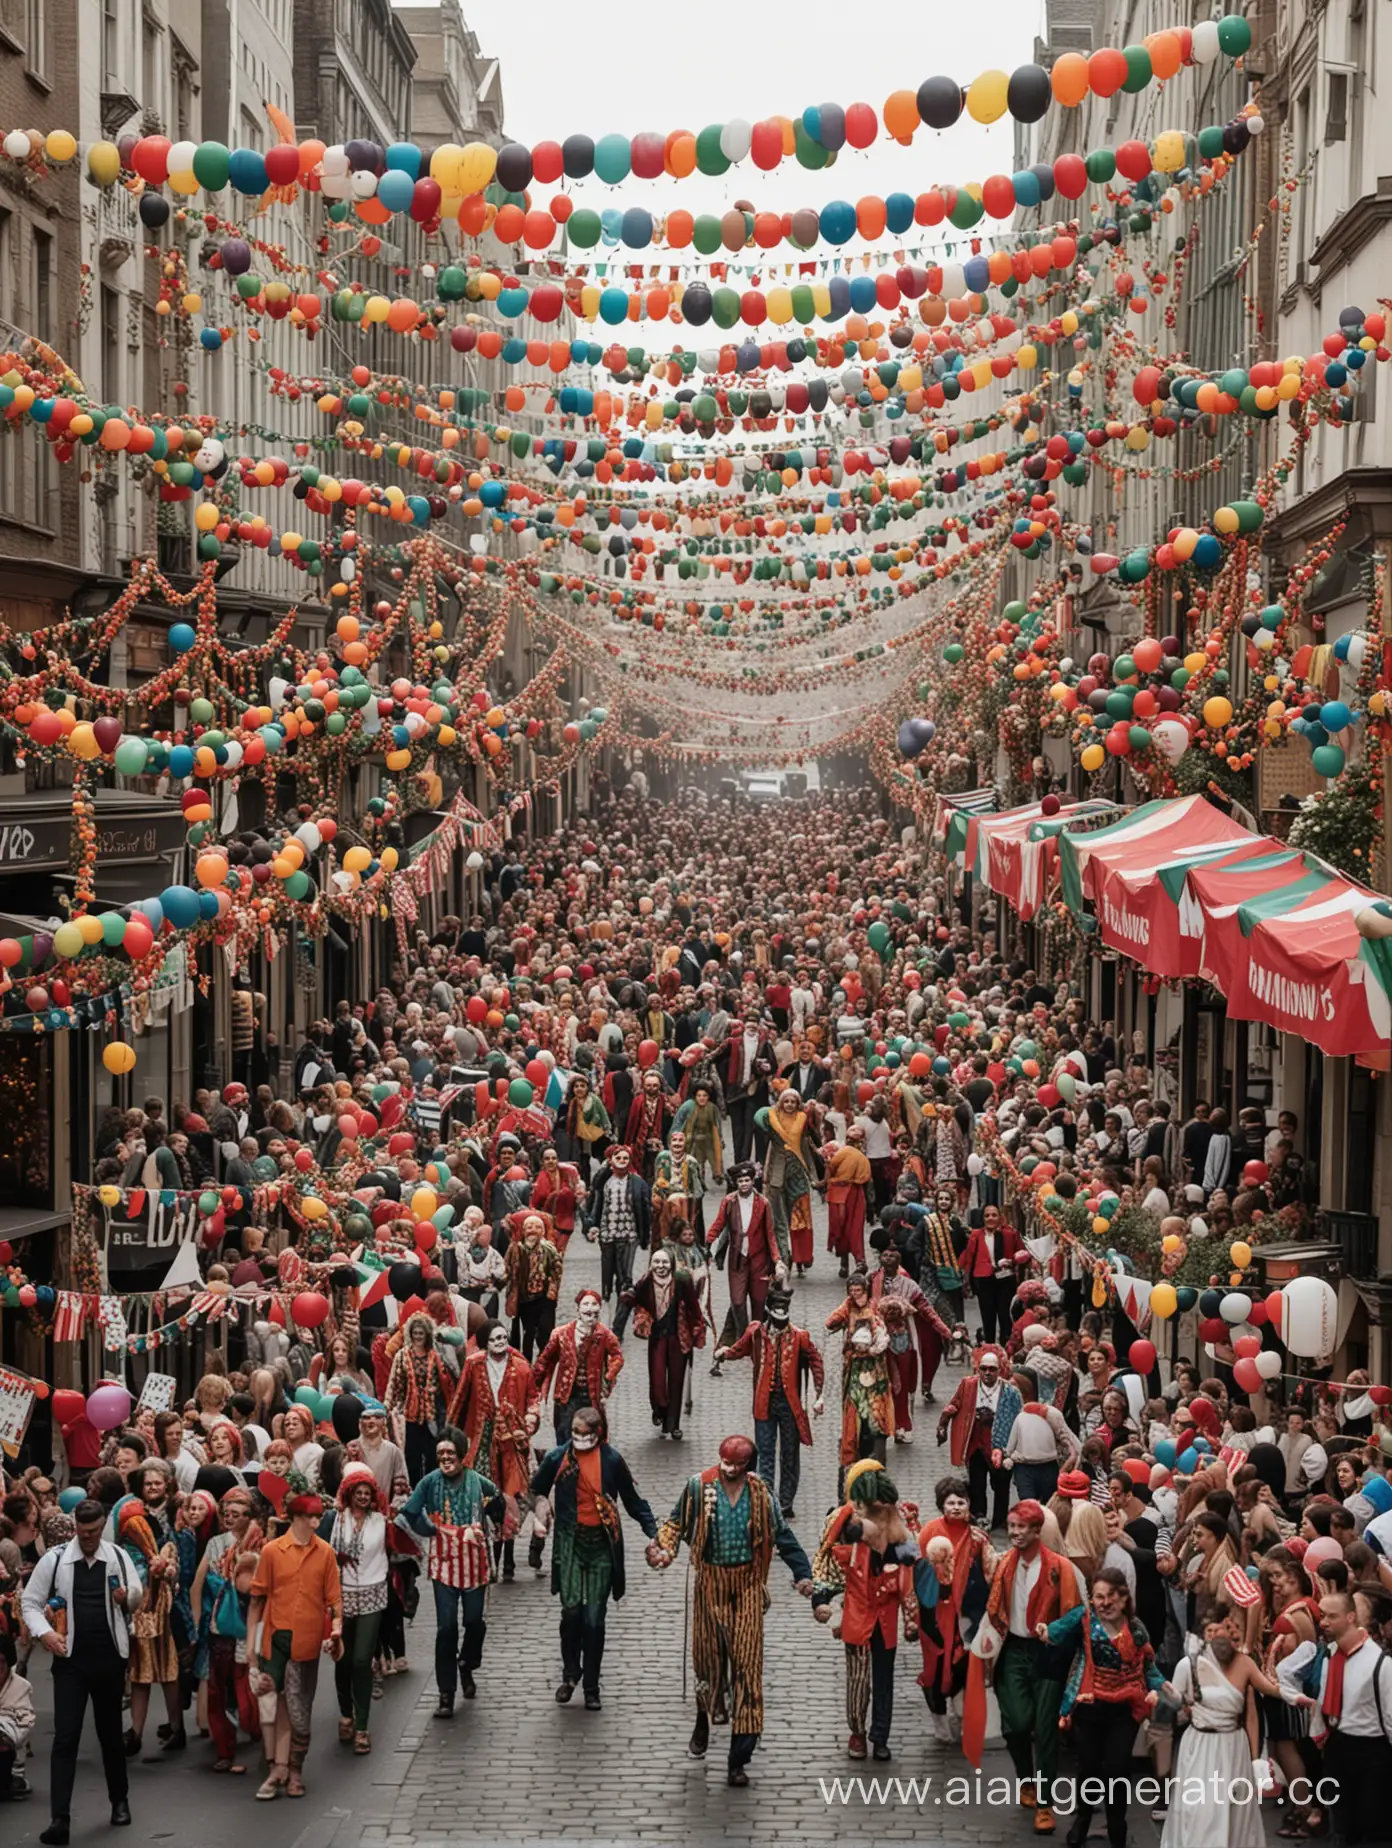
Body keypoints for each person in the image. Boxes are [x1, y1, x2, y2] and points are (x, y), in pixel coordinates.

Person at [649, 1434, 813, 1787]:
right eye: (724, 1462)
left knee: (748, 1667)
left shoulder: (760, 1495)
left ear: (747, 1467)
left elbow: (782, 1536)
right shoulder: (698, 1486)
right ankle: (703, 1719)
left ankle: (740, 1755)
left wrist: (804, 1574)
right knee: (707, 1663)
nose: (728, 1469)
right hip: (710, 1583)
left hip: (749, 1585)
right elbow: (675, 1524)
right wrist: (663, 1549)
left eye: (736, 1465)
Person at [21, 1496, 143, 1843]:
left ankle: (119, 1801)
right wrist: (46, 1635)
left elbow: (137, 1593)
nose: (88, 1538)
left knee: (109, 1735)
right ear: (75, 1528)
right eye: (82, 1532)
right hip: (71, 1661)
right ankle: (60, 1819)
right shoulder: (56, 1560)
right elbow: (30, 1603)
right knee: (66, 1737)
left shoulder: (116, 1557)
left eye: (93, 1532)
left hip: (108, 1658)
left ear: (102, 1526)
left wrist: (127, 1598)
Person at [967, 1498, 1086, 1837]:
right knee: (1016, 1724)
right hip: (1013, 1649)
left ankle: (1046, 1803)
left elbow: (1076, 1612)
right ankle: (1026, 1779)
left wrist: (1056, 1631)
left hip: (1048, 1652)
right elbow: (993, 1609)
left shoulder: (1060, 1567)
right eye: (1013, 1526)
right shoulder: (1005, 1563)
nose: (1015, 1533)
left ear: (1037, 1531)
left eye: (1021, 1528)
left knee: (1046, 1727)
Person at [530, 1406, 659, 1710]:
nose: (579, 1438)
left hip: (601, 1544)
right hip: (570, 1543)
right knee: (572, 1613)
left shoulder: (612, 1460)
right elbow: (534, 1489)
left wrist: (654, 1533)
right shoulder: (557, 1458)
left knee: (594, 1620)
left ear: (598, 1434)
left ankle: (591, 1685)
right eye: (575, 1432)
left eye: (585, 1434)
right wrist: (541, 1507)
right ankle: (570, 1672)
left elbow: (633, 1502)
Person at [1038, 1566, 1168, 1848]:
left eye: (1111, 1596)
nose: (1105, 1603)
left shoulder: (1136, 1629)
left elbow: (1149, 1668)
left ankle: (1116, 1824)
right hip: (1089, 1703)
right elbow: (1055, 1631)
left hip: (1125, 1708)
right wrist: (1045, 1631)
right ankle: (1083, 1818)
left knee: (1117, 1767)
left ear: (1123, 1598)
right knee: (1088, 1766)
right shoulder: (1083, 1619)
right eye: (1099, 1597)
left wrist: (1160, 1688)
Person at [811, 1459, 919, 1762]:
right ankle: (857, 1732)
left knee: (884, 1681)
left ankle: (880, 1736)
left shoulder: (901, 1545)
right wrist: (821, 1601)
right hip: (858, 1620)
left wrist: (912, 1621)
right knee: (858, 1681)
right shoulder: (850, 1540)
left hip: (885, 1622)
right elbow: (829, 1574)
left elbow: (908, 1587)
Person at [396, 1428, 504, 1719]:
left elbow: (498, 1502)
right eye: (441, 1454)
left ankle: (467, 1664)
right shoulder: (429, 1483)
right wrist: (427, 1529)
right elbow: (408, 1512)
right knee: (446, 1629)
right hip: (444, 1564)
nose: (445, 1458)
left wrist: (496, 1516)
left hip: (474, 1563)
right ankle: (446, 1693)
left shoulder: (477, 1482)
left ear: (461, 1454)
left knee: (474, 1622)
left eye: (450, 1453)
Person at [1163, 1604, 1289, 1848]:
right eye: (1209, 1632)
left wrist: (1255, 1760)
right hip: (1199, 1745)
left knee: (1232, 1806)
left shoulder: (1243, 1665)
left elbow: (1253, 1713)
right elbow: (1174, 1706)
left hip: (1232, 1745)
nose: (1215, 1637)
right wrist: (1175, 1702)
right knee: (1200, 1806)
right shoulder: (1186, 1666)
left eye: (1220, 1631)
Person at [247, 1491, 344, 1802]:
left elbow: (334, 1600)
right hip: (275, 1639)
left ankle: (294, 1769)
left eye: (318, 1516)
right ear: (295, 1518)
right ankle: (278, 1768)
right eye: (310, 1517)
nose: (316, 1522)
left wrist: (337, 1631)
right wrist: (251, 1648)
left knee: (299, 1712)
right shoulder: (273, 1552)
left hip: (306, 1643)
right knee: (271, 1707)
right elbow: (257, 1600)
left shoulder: (325, 1552)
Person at [716, 1286, 825, 1519]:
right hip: (764, 1403)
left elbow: (816, 1360)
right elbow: (740, 1348)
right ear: (768, 1310)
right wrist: (724, 1354)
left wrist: (819, 1392)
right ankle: (767, 1500)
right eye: (776, 1309)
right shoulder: (756, 1333)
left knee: (789, 1454)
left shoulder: (800, 1337)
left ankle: (785, 1503)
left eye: (784, 1309)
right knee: (765, 1452)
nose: (780, 1315)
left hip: (790, 1405)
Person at [446, 1320, 539, 1575]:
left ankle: (508, 1555)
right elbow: (460, 1399)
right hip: (483, 1440)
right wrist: (450, 1435)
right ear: (486, 1343)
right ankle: (490, 1554)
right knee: (487, 1497)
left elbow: (533, 1398)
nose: (500, 1342)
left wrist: (530, 1420)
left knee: (512, 1496)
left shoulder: (521, 1367)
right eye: (495, 1339)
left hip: (511, 1441)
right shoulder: (473, 1365)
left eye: (503, 1338)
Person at [915, 1475, 996, 1743]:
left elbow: (990, 1573)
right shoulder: (929, 1533)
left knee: (964, 1666)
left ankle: (960, 1716)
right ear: (942, 1505)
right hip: (935, 1615)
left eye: (961, 1502)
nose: (956, 1507)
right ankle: (939, 1719)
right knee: (935, 1669)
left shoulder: (978, 1538)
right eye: (950, 1502)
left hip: (968, 1615)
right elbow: (919, 1575)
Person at [1310, 1590, 1392, 1847]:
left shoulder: (1380, 1663)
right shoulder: (1331, 1657)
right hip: (1338, 1747)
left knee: (1373, 1827)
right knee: (1342, 1826)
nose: (1323, 1622)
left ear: (1350, 1617)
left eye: (1331, 1616)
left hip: (1372, 1753)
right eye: (1322, 1616)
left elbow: (1390, 1717)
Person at [328, 1463, 390, 1755]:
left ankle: (363, 1726)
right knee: (343, 1658)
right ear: (349, 1494)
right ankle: (346, 1714)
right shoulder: (336, 1520)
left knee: (362, 1660)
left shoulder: (382, 1521)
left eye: (367, 1492)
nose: (363, 1497)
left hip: (373, 1594)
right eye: (358, 1492)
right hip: (341, 1596)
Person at [622, 1245, 706, 1441]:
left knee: (676, 1380)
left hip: (678, 1336)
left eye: (664, 1262)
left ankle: (674, 1424)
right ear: (651, 1265)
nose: (660, 1266)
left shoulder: (682, 1281)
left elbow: (694, 1307)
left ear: (671, 1264)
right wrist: (627, 1299)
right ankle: (659, 1409)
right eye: (656, 1262)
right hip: (657, 1337)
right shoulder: (646, 1281)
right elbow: (635, 1298)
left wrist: (698, 1328)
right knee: (658, 1380)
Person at [938, 1345, 1022, 1532]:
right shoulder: (968, 1385)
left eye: (992, 1369)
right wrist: (943, 1423)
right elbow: (954, 1404)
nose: (987, 1373)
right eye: (983, 1369)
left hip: (999, 1443)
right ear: (978, 1369)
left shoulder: (1011, 1392)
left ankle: (1000, 1520)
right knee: (977, 1482)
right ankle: (979, 1516)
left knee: (1000, 1483)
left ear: (999, 1370)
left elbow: (1019, 1418)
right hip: (974, 1440)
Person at [826, 1273, 895, 1497]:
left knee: (876, 1419)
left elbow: (883, 1337)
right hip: (854, 1370)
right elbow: (830, 1322)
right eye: (851, 1291)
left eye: (859, 1291)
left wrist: (872, 1349)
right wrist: (845, 1307)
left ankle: (876, 1470)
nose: (855, 1295)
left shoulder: (874, 1310)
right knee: (853, 1418)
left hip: (874, 1373)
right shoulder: (848, 1307)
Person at [533, 1287, 625, 1446]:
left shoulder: (604, 1334)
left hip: (591, 1395)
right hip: (565, 1396)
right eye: (585, 1304)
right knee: (564, 1434)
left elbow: (617, 1356)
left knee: (591, 1434)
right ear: (578, 1309)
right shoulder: (561, 1334)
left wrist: (608, 1376)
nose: (590, 1308)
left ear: (599, 1309)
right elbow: (544, 1360)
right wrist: (533, 1385)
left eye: (594, 1304)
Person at [708, 1162, 782, 1349]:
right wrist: (707, 1243)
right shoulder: (729, 1202)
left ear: (753, 1181)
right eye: (740, 1181)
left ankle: (756, 1337)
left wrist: (777, 1260)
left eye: (747, 1180)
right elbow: (718, 1224)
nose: (744, 1184)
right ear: (736, 1183)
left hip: (759, 1260)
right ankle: (743, 1335)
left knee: (758, 1301)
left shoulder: (763, 1204)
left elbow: (771, 1234)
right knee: (738, 1301)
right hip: (737, 1260)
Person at [586, 1142, 650, 1338]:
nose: (622, 1162)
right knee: (607, 1280)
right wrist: (592, 1225)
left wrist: (644, 1236)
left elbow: (645, 1211)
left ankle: (618, 1328)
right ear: (611, 1160)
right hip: (607, 1235)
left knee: (625, 1281)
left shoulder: (638, 1183)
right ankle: (606, 1317)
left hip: (628, 1235)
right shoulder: (605, 1180)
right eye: (618, 1158)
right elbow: (595, 1201)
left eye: (625, 1158)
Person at [757, 1085, 822, 1276]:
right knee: (778, 1219)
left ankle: (801, 1257)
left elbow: (805, 1149)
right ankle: (783, 1256)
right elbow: (766, 1147)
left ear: (798, 1104)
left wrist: (813, 1177)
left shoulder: (802, 1122)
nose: (789, 1105)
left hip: (797, 1173)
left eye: (793, 1102)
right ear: (780, 1103)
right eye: (786, 1101)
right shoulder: (772, 1120)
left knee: (799, 1218)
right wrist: (766, 1178)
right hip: (777, 1174)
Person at [383, 1311, 452, 1484]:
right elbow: (394, 1382)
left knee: (431, 1455)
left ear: (427, 1334)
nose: (418, 1336)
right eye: (415, 1333)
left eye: (421, 1333)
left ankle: (431, 1487)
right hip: (410, 1413)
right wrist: (387, 1405)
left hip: (432, 1414)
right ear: (410, 1334)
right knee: (411, 1456)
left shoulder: (435, 1356)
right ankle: (414, 1489)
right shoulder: (402, 1356)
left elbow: (446, 1382)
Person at [960, 1202, 1028, 1344]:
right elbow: (969, 1258)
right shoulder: (976, 1235)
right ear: (983, 1218)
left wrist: (1012, 1261)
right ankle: (989, 1348)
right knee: (988, 1317)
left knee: (1005, 1317)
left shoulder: (1010, 1234)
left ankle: (1006, 1348)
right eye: (987, 1215)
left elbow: (1022, 1253)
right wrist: (967, 1281)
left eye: (994, 1215)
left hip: (1005, 1279)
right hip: (984, 1280)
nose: (990, 1218)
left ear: (999, 1217)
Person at [503, 1211, 564, 1361]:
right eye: (529, 1227)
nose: (532, 1230)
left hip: (543, 1297)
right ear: (523, 1231)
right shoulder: (516, 1249)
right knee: (527, 1333)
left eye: (537, 1227)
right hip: (524, 1299)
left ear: (542, 1231)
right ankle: (525, 1361)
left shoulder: (548, 1248)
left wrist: (552, 1289)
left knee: (545, 1330)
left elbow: (557, 1269)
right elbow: (507, 1269)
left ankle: (544, 1359)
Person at [824, 1126, 873, 1275]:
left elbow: (830, 1169)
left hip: (849, 1193)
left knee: (846, 1228)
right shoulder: (856, 1155)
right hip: (848, 1193)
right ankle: (855, 1261)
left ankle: (852, 1262)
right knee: (851, 1228)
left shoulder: (845, 1153)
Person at [0, 1631, 34, 1803]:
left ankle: (16, 1776)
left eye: (1, 1663)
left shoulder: (21, 1687)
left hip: (7, 1748)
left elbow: (25, 1722)